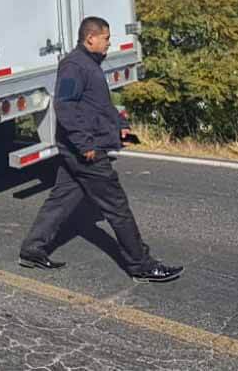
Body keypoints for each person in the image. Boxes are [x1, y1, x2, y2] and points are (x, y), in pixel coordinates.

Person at [18, 17, 183, 283]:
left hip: (81, 149)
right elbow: (65, 107)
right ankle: (140, 264)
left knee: (62, 200)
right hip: (85, 152)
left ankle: (31, 250)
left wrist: (120, 126)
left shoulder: (89, 65)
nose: (109, 43)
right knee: (117, 206)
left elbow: (97, 105)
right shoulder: (74, 66)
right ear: (90, 38)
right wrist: (87, 147)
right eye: (106, 37)